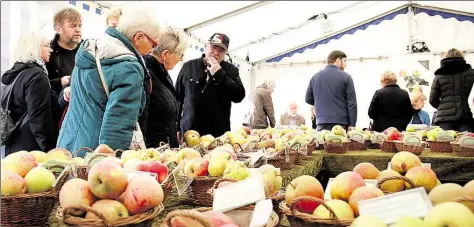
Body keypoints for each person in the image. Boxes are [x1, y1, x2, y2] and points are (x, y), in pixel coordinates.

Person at [57, 4, 161, 155]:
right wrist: (111, 162)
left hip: (68, 144)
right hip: (95, 155)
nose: (153, 49)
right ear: (139, 37)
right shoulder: (129, 67)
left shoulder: (90, 49)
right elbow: (118, 126)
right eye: (154, 43)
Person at [176, 33, 245, 137]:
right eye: (213, 47)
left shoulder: (231, 70)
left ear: (226, 53)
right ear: (206, 45)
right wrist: (176, 127)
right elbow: (177, 98)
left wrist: (219, 74)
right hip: (189, 132)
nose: (216, 52)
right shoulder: (188, 67)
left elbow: (239, 96)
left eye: (221, 50)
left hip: (218, 135)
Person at [1, 31, 56, 155]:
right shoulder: (37, 75)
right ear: (34, 48)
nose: (51, 50)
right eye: (47, 45)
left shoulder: (15, 74)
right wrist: (49, 149)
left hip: (13, 143)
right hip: (32, 148)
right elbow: (39, 117)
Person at [143, 27, 187, 148]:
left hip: (165, 152)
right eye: (180, 54)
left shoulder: (163, 74)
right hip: (152, 154)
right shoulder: (146, 75)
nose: (181, 58)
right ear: (166, 54)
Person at [305, 50, 357, 131]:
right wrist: (352, 124)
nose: (345, 64)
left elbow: (308, 99)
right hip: (341, 123)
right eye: (344, 60)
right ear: (338, 60)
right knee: (338, 143)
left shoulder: (315, 77)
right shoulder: (346, 77)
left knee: (323, 143)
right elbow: (352, 103)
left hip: (321, 122)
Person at [430, 48, 474, 131]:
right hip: (464, 116)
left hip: (445, 120)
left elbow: (432, 100)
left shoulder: (439, 75)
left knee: (445, 142)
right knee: (465, 142)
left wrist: (443, 107)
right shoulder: (471, 72)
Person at [46, 8, 82, 101]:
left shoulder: (87, 51)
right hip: (56, 109)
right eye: (72, 26)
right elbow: (38, 85)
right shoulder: (47, 52)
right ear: (58, 29)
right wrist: (60, 82)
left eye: (80, 26)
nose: (78, 30)